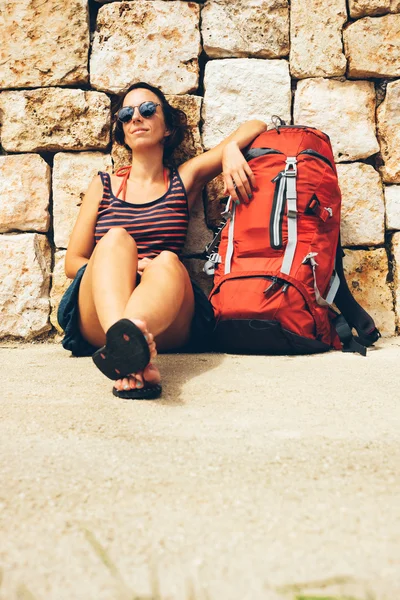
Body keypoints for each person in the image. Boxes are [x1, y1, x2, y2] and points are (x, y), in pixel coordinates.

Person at [57, 82, 267, 399]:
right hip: (100, 313)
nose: (136, 118)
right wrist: (132, 265)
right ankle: (124, 343)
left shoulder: (183, 180)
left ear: (167, 126)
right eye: (126, 114)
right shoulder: (103, 185)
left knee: (168, 261)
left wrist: (231, 151)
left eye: (147, 109)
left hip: (165, 314)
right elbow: (73, 263)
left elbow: (257, 125)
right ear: (122, 131)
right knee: (115, 240)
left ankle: (127, 354)